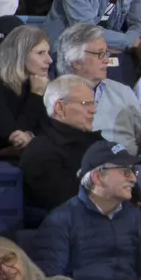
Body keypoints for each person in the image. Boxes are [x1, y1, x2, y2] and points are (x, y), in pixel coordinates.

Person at [31, 141, 141, 280]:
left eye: (132, 171)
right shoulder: (60, 220)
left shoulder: (136, 217)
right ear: (98, 177)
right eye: (125, 171)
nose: (133, 178)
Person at [18, 76, 107, 211]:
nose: (94, 110)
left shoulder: (96, 141)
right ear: (60, 108)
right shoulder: (41, 151)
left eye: (94, 103)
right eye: (86, 103)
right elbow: (68, 202)